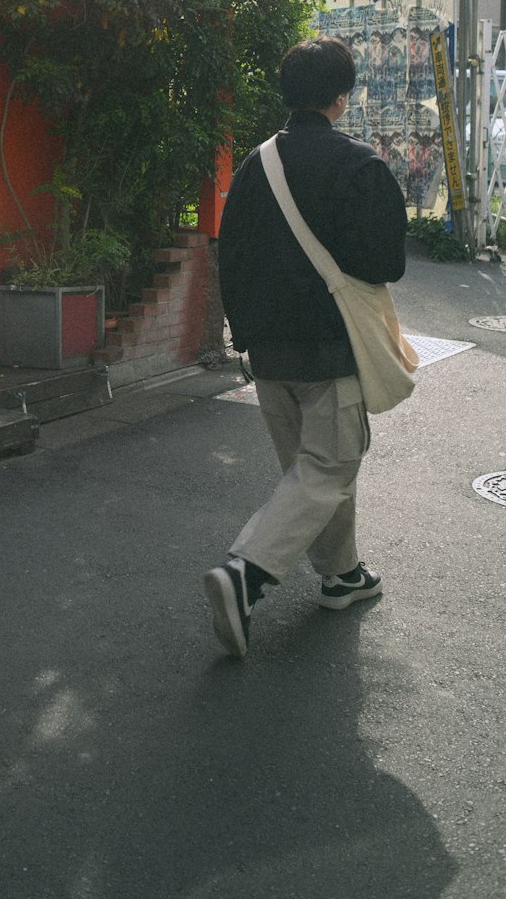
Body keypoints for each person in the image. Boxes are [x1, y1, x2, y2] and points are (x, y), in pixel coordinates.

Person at [205, 36, 407, 659]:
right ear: (341, 98)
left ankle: (342, 575)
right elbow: (385, 264)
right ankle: (247, 575)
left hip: (267, 353)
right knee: (329, 468)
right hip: (330, 350)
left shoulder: (253, 166)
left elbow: (228, 256)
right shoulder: (357, 166)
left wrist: (246, 333)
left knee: (310, 472)